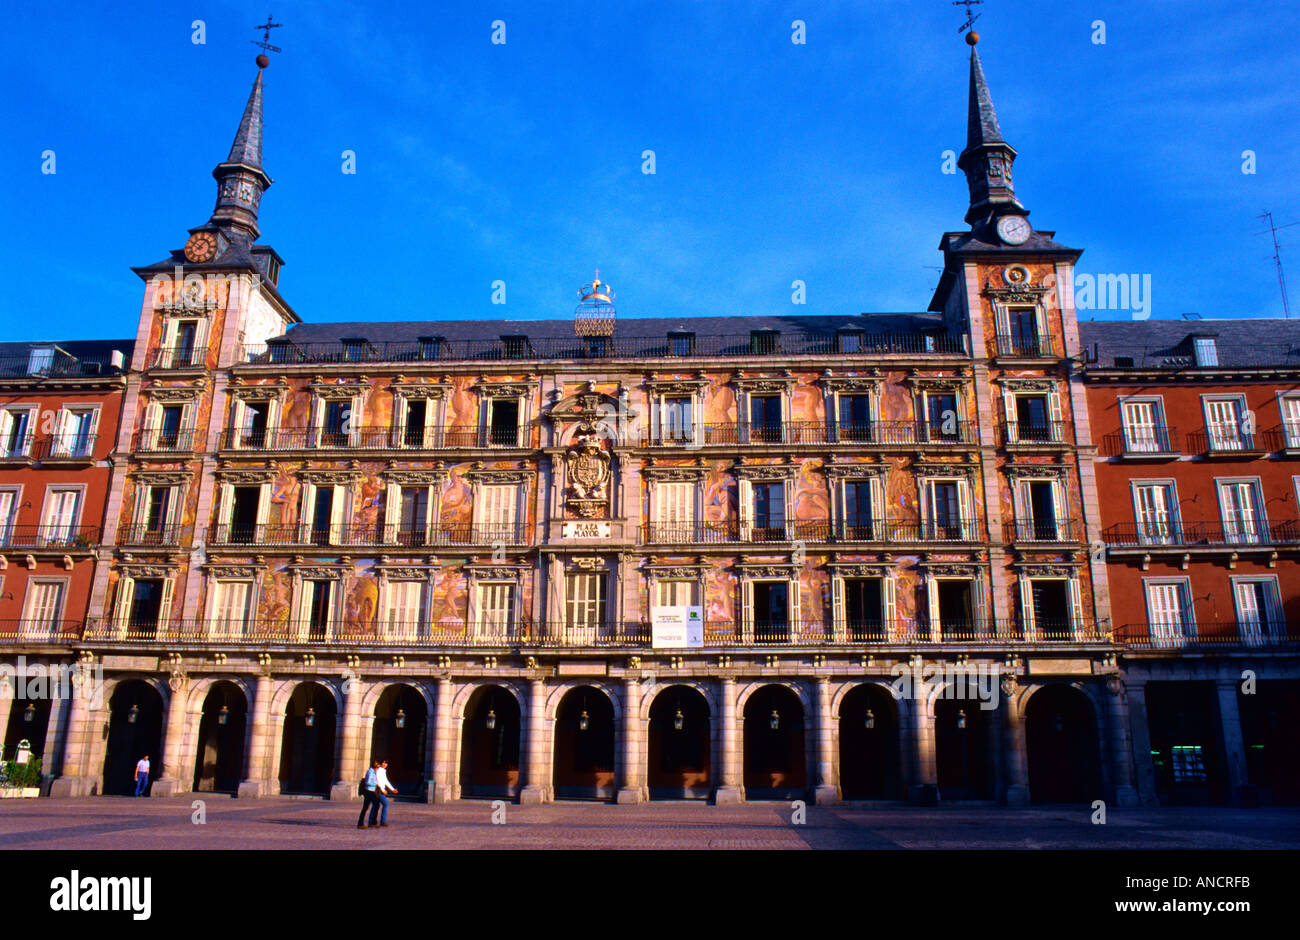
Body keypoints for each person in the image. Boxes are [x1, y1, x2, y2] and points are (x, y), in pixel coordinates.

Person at [371, 759, 398, 827]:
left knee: (376, 805)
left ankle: (372, 821)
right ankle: (382, 821)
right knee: (385, 804)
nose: (385, 764)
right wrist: (382, 790)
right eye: (383, 762)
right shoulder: (379, 770)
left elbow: (386, 781)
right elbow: (377, 781)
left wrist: (392, 789)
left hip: (380, 790)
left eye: (386, 763)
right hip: (378, 790)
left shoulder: (383, 771)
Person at [357, 759, 381, 829]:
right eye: (378, 765)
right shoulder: (370, 772)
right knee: (368, 806)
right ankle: (363, 823)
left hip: (372, 791)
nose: (378, 767)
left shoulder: (373, 772)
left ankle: (372, 822)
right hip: (369, 791)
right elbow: (368, 782)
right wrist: (376, 784)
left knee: (374, 805)